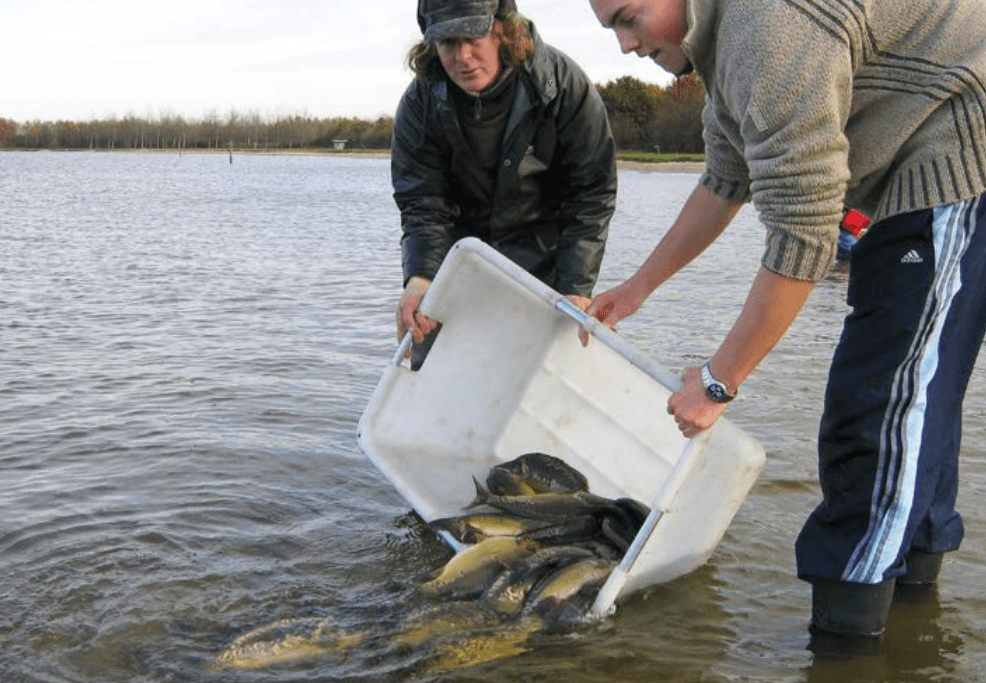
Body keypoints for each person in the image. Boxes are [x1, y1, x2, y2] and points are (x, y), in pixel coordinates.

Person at [583, 0, 986, 642]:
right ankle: (914, 627)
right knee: (913, 401)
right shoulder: (721, 45)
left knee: (881, 409)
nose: (626, 46)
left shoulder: (766, 29)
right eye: (612, 28)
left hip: (960, 154)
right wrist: (634, 290)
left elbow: (804, 231)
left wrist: (718, 382)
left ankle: (845, 642)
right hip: (911, 174)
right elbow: (724, 177)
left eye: (630, 18)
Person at [392, 0, 617, 368]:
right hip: (456, 272)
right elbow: (423, 205)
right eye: (448, 43)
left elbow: (590, 196)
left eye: (472, 37)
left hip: (545, 272)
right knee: (434, 370)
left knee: (535, 382)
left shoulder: (562, 86)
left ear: (502, 29)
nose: (462, 56)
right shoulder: (419, 105)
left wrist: (576, 288)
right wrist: (419, 277)